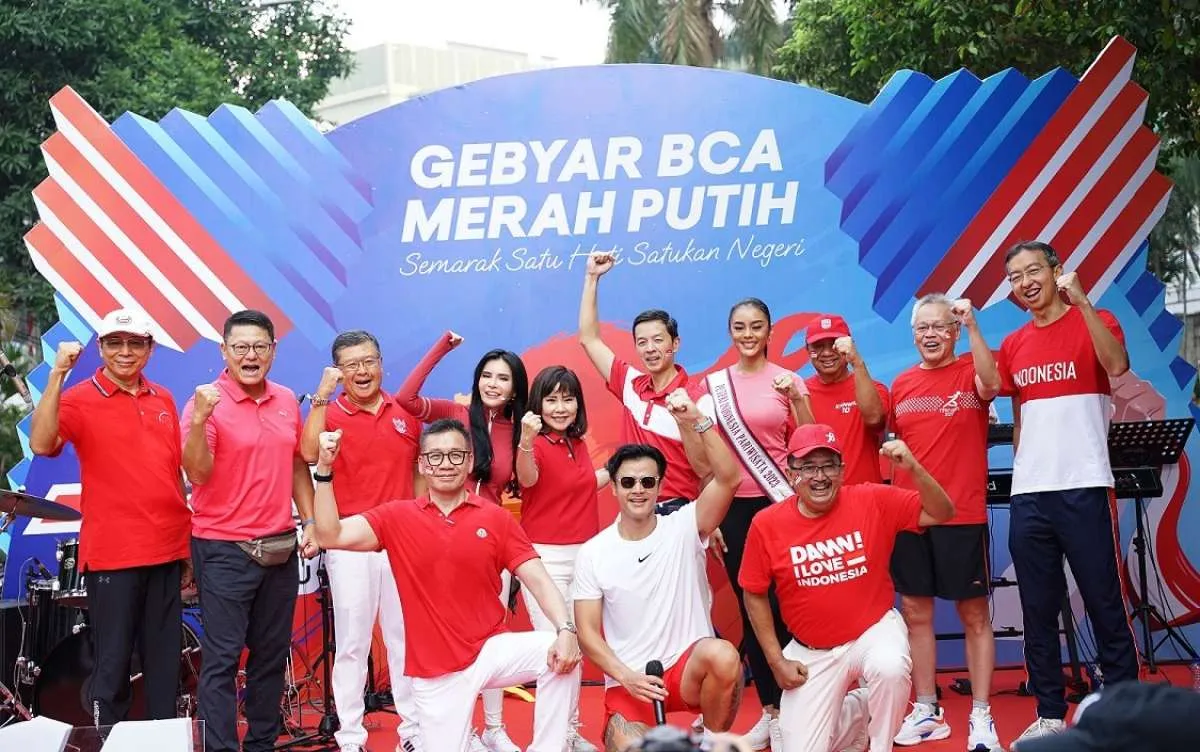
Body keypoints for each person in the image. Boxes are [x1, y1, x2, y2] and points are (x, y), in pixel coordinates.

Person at [310, 418, 583, 752]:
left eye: (455, 455)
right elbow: (329, 534)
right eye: (435, 457)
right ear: (423, 465)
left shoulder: (495, 517)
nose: (445, 464)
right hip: (436, 673)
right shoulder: (397, 517)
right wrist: (324, 469)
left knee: (560, 653)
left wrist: (566, 629)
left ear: (469, 461)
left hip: (489, 650)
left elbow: (538, 579)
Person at [997, 241, 1138, 745]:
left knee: (1103, 599)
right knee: (1037, 606)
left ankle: (1122, 707)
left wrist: (1081, 303)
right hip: (1030, 493)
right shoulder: (1013, 343)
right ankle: (1050, 711)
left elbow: (1117, 367)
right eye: (1015, 277)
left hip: (1083, 483)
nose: (1025, 282)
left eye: (1034, 271)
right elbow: (1021, 418)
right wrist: (1022, 471)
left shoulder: (1095, 318)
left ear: (1056, 272)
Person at [740, 424, 955, 752]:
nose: (820, 476)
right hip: (812, 650)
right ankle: (857, 712)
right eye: (809, 467)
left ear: (842, 471)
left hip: (872, 632)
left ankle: (880, 746)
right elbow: (753, 592)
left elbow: (942, 513)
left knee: (890, 666)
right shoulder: (767, 523)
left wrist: (914, 468)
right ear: (790, 473)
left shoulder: (872, 499)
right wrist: (775, 660)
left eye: (828, 465)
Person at [28, 308, 193, 727]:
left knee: (164, 669)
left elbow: (172, 474)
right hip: (113, 556)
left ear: (149, 349)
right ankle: (109, 740)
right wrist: (56, 376)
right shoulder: (80, 396)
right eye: (115, 343)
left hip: (168, 550)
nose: (125, 352)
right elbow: (43, 442)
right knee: (113, 667)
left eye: (135, 343)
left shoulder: (164, 399)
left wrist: (187, 543)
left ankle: (161, 741)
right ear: (100, 348)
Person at [573, 389, 744, 749]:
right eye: (628, 482)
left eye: (647, 482)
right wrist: (626, 676)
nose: (638, 490)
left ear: (660, 486)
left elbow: (729, 479)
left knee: (724, 656)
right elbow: (587, 634)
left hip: (687, 673)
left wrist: (697, 419)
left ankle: (711, 741)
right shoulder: (594, 552)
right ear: (615, 488)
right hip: (631, 683)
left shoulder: (684, 524)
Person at [181, 309, 320, 752]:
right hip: (224, 548)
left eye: (260, 346)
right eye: (240, 347)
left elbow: (298, 464)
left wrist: (311, 520)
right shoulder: (205, 402)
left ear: (273, 351)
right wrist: (202, 421)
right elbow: (197, 474)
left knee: (271, 657)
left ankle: (261, 743)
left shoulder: (283, 399)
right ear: (224, 351)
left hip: (279, 546)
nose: (250, 355)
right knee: (222, 660)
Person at [396, 331, 529, 751]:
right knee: (443, 639)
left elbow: (527, 482)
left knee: (493, 637)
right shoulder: (457, 411)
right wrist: (440, 348)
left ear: (514, 388)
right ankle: (457, 731)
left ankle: (494, 728)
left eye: (502, 378)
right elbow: (406, 400)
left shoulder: (519, 429)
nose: (493, 383)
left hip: (492, 540)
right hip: (440, 539)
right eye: (486, 375)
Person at [695, 297, 814, 749]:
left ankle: (807, 706)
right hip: (734, 509)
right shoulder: (714, 387)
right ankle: (772, 712)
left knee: (793, 607)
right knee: (753, 610)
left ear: (769, 332)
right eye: (740, 327)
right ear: (731, 332)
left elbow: (806, 441)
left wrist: (798, 397)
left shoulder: (786, 380)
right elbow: (706, 459)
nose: (748, 334)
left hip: (781, 504)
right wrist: (714, 514)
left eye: (757, 326)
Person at [886, 295, 1003, 751]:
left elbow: (992, 384)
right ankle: (927, 708)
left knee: (974, 615)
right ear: (913, 334)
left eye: (940, 327)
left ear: (953, 333)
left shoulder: (971, 373)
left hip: (961, 513)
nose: (930, 335)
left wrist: (972, 325)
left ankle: (981, 715)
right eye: (922, 328)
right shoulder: (901, 384)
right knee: (916, 612)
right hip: (910, 515)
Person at [299, 330, 422, 752]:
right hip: (350, 540)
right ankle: (351, 737)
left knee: (404, 639)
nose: (362, 371)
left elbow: (421, 472)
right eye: (351, 365)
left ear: (381, 362)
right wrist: (321, 395)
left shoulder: (404, 412)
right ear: (339, 371)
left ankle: (413, 731)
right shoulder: (330, 414)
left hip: (402, 541)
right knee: (352, 644)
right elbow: (309, 453)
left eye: (368, 361)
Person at [516, 365, 607, 750]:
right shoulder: (533, 443)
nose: (560, 407)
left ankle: (567, 732)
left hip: (585, 557)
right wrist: (524, 439)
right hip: (545, 560)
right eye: (551, 399)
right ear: (538, 403)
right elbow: (528, 480)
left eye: (567, 398)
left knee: (577, 646)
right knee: (556, 647)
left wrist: (623, 470)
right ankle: (548, 743)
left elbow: (582, 485)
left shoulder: (578, 444)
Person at [577, 250, 708, 513]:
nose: (650, 348)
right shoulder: (630, 384)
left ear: (675, 344)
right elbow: (589, 339)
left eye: (658, 340)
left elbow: (705, 469)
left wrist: (688, 422)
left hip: (679, 511)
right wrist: (592, 278)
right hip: (633, 509)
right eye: (642, 342)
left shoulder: (699, 398)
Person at [803, 315, 890, 484]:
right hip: (819, 500)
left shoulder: (874, 388)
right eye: (818, 346)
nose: (827, 353)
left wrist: (856, 361)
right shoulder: (799, 394)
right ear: (807, 350)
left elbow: (875, 419)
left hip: (865, 498)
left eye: (835, 345)